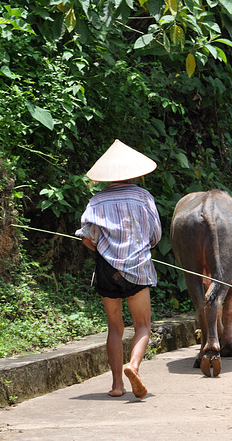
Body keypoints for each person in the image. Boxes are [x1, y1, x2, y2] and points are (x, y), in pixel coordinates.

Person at [75, 139, 162, 399]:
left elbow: (87, 238)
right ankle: (133, 366)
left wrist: (105, 252)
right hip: (138, 268)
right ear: (133, 172)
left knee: (115, 327)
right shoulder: (143, 197)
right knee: (143, 326)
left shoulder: (96, 200)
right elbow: (154, 234)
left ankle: (116, 386)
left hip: (106, 269)